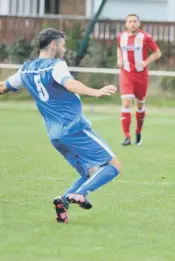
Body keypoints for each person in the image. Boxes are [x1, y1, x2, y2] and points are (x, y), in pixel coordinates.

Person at [0, 28, 122, 223]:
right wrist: (95, 92)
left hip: (55, 136)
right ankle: (81, 194)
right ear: (54, 45)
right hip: (74, 128)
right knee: (113, 166)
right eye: (63, 45)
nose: (64, 49)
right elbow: (70, 84)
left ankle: (63, 201)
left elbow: (3, 87)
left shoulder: (26, 69)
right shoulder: (56, 66)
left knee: (90, 173)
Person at [118, 14, 162, 146]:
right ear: (126, 24)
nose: (132, 24)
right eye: (130, 21)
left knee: (140, 104)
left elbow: (157, 53)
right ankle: (126, 136)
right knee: (126, 103)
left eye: (134, 21)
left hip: (141, 75)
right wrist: (119, 59)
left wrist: (146, 61)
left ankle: (138, 131)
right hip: (126, 73)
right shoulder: (121, 36)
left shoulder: (145, 37)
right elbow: (119, 48)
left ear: (139, 23)